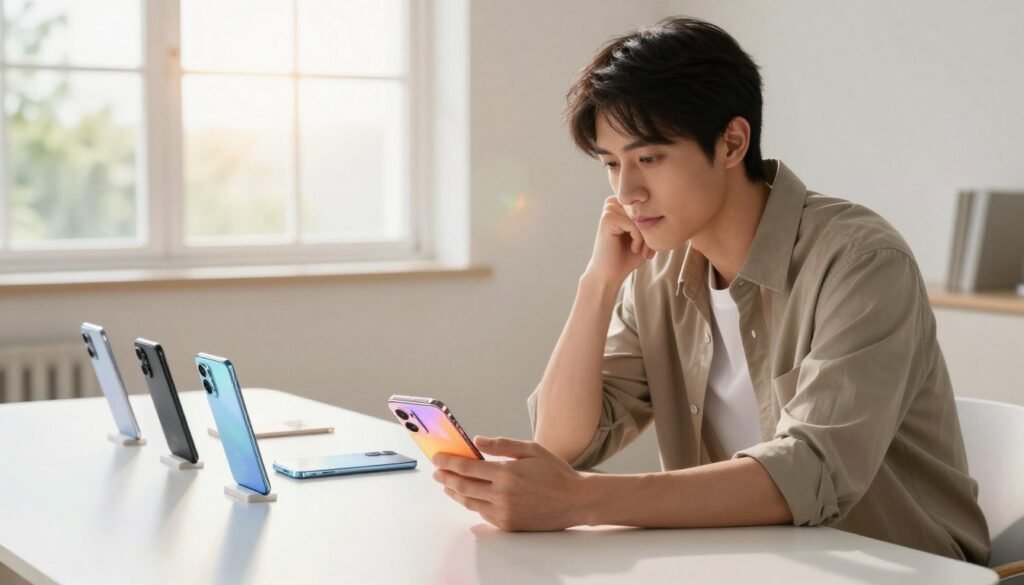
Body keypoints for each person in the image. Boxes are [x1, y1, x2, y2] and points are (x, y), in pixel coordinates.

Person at [431, 16, 989, 563]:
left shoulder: (861, 261)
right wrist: (597, 284)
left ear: (731, 143)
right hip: (749, 561)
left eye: (649, 158)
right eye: (611, 164)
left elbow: (812, 470)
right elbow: (562, 443)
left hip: (900, 567)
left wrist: (581, 500)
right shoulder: (655, 272)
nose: (628, 191)